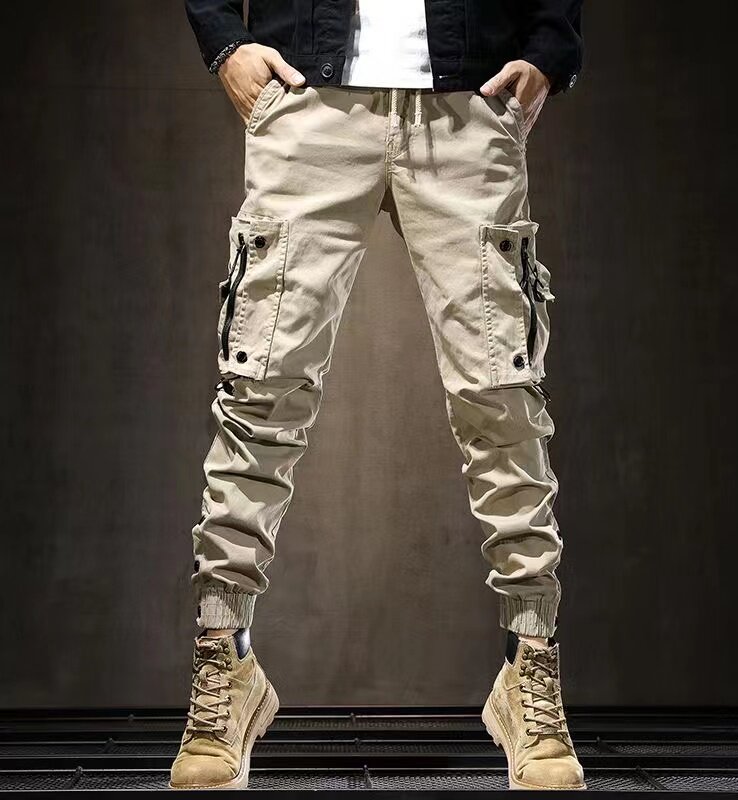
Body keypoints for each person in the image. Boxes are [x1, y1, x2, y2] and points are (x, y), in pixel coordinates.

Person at [170, 0, 584, 790]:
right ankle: (225, 667)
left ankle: (530, 670)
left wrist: (550, 47)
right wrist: (225, 40)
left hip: (468, 106)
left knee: (502, 398)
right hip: (310, 104)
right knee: (260, 390)